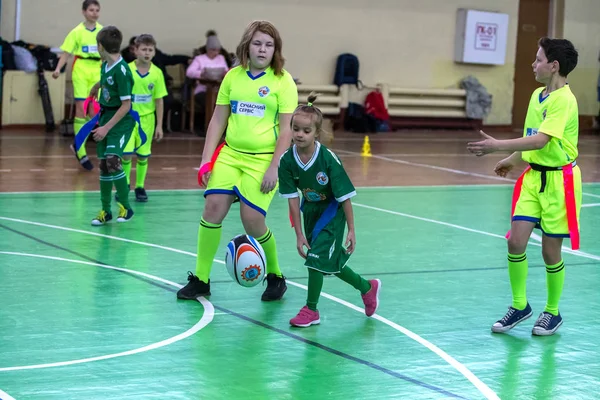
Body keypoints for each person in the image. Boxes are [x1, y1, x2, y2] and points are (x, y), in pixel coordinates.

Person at [176, 20, 298, 301]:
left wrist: (274, 166)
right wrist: (206, 161)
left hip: (263, 159)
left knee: (252, 220)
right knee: (212, 209)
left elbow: (287, 130)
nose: (263, 49)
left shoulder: (283, 81)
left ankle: (276, 276)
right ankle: (201, 279)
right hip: (230, 155)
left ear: (275, 50)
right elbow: (218, 119)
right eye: (257, 43)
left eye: (269, 45)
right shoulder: (233, 77)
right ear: (247, 46)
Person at [467, 37, 580, 336]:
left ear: (554, 66)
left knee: (549, 251)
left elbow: (543, 141)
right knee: (515, 241)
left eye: (538, 59)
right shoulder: (536, 95)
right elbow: (533, 138)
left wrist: (495, 146)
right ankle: (520, 305)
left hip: (559, 182)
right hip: (533, 178)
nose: (534, 64)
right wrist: (512, 159)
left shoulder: (565, 100)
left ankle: (552, 312)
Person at [278, 93, 381, 327]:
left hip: (333, 212)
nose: (299, 134)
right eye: (296, 129)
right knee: (330, 262)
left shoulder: (328, 159)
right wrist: (299, 234)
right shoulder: (286, 161)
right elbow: (293, 200)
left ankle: (311, 310)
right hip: (311, 212)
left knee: (315, 259)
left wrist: (352, 230)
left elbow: (345, 197)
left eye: (306, 130)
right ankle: (367, 287)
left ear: (317, 133)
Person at [87, 25, 138, 226]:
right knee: (103, 165)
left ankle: (126, 207)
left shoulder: (122, 71)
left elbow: (127, 105)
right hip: (106, 115)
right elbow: (106, 81)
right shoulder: (105, 65)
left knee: (112, 160)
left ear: (100, 46)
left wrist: (106, 128)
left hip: (121, 120)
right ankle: (105, 211)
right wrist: (96, 87)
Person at [53, 0, 103, 171]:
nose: (94, 13)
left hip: (97, 70)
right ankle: (80, 151)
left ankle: (76, 142)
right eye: (91, 10)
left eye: (97, 10)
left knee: (94, 111)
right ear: (84, 12)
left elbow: (108, 54)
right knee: (81, 109)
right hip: (81, 69)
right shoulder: (76, 32)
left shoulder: (102, 31)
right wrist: (58, 69)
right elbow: (65, 53)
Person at [121, 34, 168, 202]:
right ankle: (124, 185)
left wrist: (159, 125)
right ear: (135, 51)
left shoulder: (157, 73)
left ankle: (139, 186)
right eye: (143, 49)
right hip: (127, 118)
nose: (147, 53)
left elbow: (159, 100)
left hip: (147, 120)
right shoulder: (126, 69)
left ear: (154, 52)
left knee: (143, 155)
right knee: (126, 154)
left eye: (150, 50)